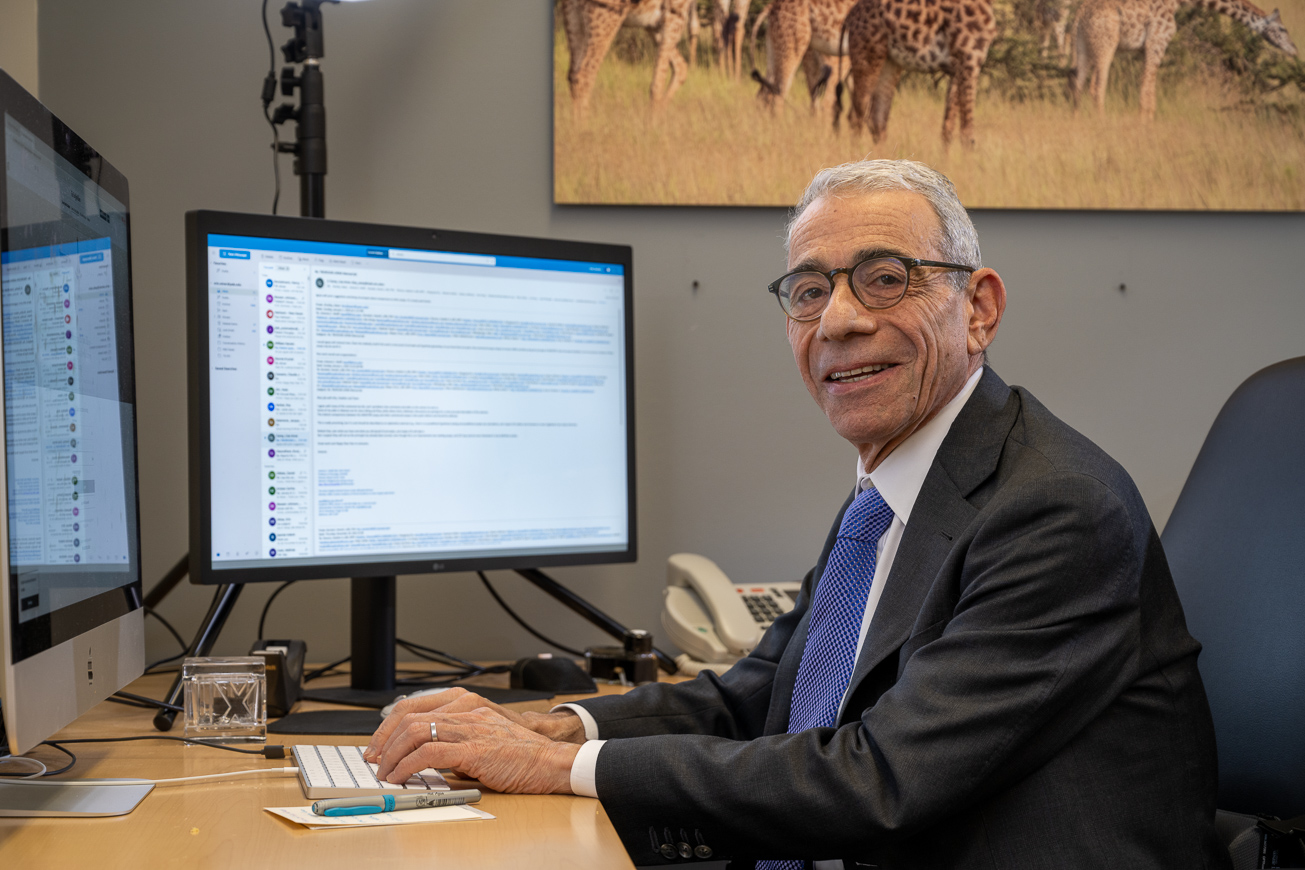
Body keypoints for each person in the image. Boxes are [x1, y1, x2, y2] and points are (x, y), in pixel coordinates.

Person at [364, 160, 1229, 869]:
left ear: (979, 309)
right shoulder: (890, 493)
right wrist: (550, 726)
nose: (838, 321)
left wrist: (559, 766)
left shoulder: (1055, 508)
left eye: (884, 279)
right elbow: (765, 694)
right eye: (809, 290)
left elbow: (879, 778)